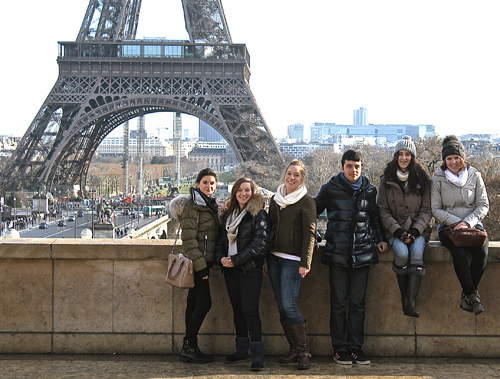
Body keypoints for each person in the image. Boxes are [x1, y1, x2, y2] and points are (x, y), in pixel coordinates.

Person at [314, 149, 388, 365]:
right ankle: (339, 348)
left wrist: (381, 239)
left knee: (357, 304)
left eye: (357, 166)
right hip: (338, 254)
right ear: (342, 167)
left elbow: (375, 219)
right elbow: (312, 213)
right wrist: (315, 237)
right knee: (338, 304)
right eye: (349, 166)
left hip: (362, 254)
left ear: (361, 167)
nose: (353, 170)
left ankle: (355, 347)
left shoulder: (370, 190)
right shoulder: (329, 189)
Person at [215, 178, 270, 371]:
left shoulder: (259, 214)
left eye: (247, 190)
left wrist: (236, 259)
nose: (243, 194)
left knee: (250, 311)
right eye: (239, 190)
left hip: (249, 269)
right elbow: (221, 240)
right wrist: (221, 258)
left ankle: (257, 355)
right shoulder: (228, 214)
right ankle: (241, 350)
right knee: (237, 310)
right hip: (231, 269)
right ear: (234, 192)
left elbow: (260, 244)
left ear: (253, 192)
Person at [267, 159, 317, 370]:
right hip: (273, 258)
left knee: (289, 304)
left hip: (293, 260)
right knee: (281, 306)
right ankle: (294, 349)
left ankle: (304, 351)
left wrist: (305, 262)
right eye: (289, 173)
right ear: (284, 174)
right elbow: (268, 229)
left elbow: (310, 233)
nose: (291, 178)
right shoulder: (275, 199)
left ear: (302, 178)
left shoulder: (306, 201)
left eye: (296, 175)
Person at [431, 135, 489, 315]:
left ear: (462, 158)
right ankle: (473, 296)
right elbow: (435, 209)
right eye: (449, 158)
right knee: (459, 253)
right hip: (448, 228)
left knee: (481, 252)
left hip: (473, 225)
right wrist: (456, 223)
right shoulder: (437, 180)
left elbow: (483, 204)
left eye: (456, 157)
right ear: (444, 160)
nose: (453, 162)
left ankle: (468, 295)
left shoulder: (475, 176)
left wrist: (467, 223)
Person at [168, 168, 220, 363]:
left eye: (212, 183)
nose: (209, 186)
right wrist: (202, 267)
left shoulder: (207, 204)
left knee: (194, 303)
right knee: (204, 303)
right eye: (205, 182)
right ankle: (189, 344)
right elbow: (189, 241)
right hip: (198, 264)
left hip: (202, 261)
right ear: (197, 184)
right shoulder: (193, 206)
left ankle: (189, 347)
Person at [377, 136, 432, 318]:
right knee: (402, 254)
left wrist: (415, 231)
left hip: (418, 228)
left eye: (407, 154)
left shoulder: (423, 179)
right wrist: (398, 231)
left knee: (416, 254)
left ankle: (411, 301)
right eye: (400, 154)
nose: (403, 158)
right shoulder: (386, 180)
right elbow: (383, 210)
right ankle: (405, 298)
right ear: (395, 156)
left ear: (412, 157)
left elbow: (426, 210)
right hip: (395, 228)